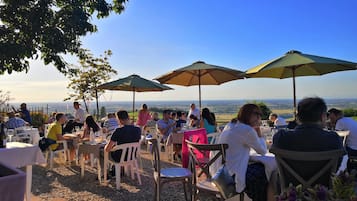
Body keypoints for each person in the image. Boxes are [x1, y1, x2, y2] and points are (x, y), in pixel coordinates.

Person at [273, 97, 344, 187]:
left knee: (273, 175)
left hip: (291, 192)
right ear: (323, 117)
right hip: (322, 192)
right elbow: (336, 167)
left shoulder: (281, 137)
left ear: (298, 118)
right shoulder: (334, 139)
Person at [217, 104, 272, 201]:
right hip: (233, 176)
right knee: (265, 173)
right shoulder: (247, 130)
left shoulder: (230, 125)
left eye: (259, 115)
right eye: (256, 114)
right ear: (247, 114)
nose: (258, 117)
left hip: (220, 172)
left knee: (259, 168)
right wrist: (259, 133)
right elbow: (263, 151)